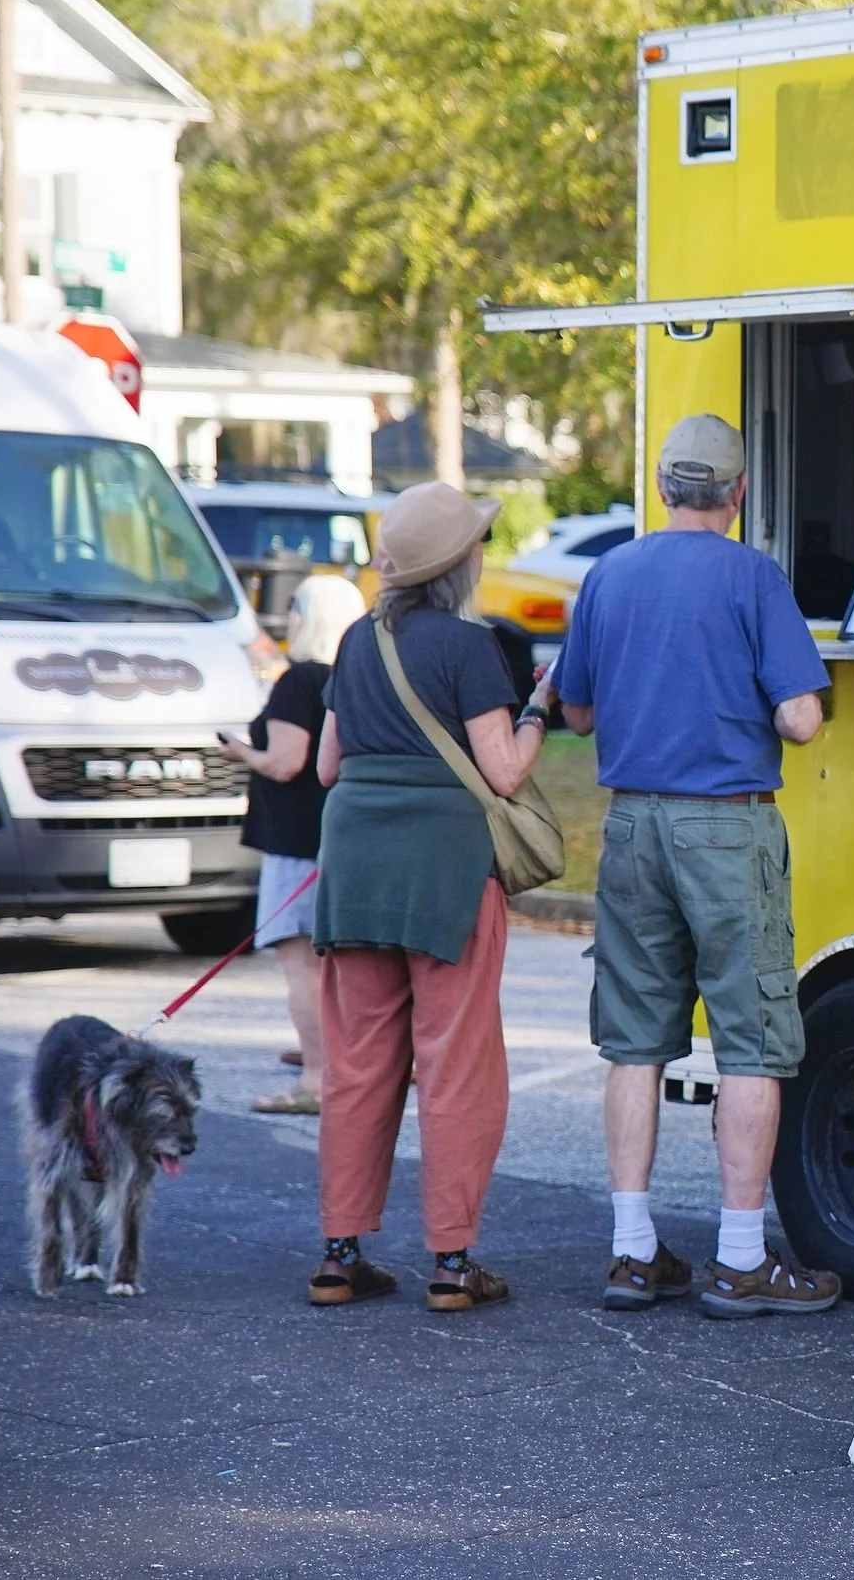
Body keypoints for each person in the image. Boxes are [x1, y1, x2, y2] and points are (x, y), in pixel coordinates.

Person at [542, 413, 837, 1319]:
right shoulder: (753, 576)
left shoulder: (609, 573)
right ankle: (741, 1258)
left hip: (631, 829)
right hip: (726, 829)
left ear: (665, 488)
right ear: (738, 493)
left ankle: (633, 1254)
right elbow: (800, 721)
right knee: (750, 1039)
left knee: (633, 1040)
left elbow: (578, 714)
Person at [303, 482, 554, 1312]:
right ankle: (452, 1262)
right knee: (456, 1065)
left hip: (355, 871)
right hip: (446, 872)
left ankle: (340, 1254)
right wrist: (539, 711)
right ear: (460, 564)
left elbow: (328, 768)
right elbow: (504, 772)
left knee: (359, 1065)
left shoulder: (353, 642)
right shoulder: (469, 646)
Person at [220, 573, 367, 1116]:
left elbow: (286, 762)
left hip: (295, 842)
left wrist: (241, 752)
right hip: (341, 837)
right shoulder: (354, 675)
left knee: (299, 962)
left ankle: (317, 1078)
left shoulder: (298, 681)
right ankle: (331, 1055)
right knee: (336, 965)